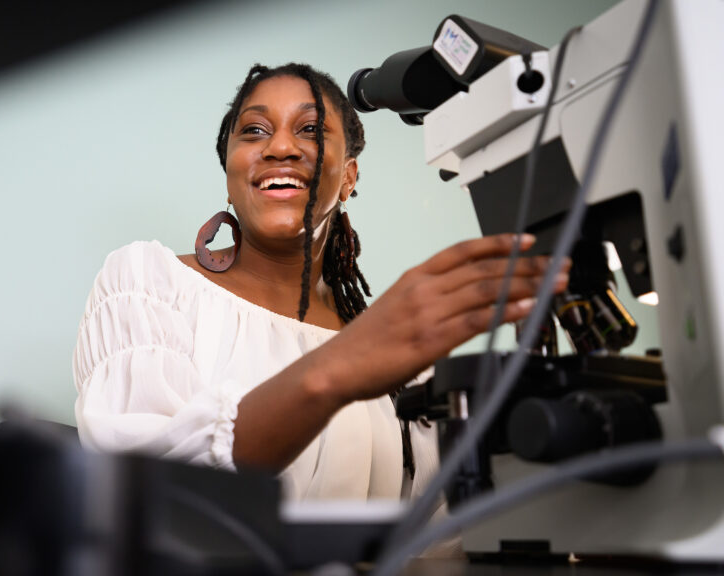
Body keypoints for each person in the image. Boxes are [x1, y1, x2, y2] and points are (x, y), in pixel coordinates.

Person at [72, 63, 567, 508]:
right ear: (229, 170)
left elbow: (436, 532)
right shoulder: (148, 284)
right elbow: (153, 494)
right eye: (254, 131)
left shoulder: (390, 343)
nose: (280, 147)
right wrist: (338, 368)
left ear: (349, 177)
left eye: (310, 130)